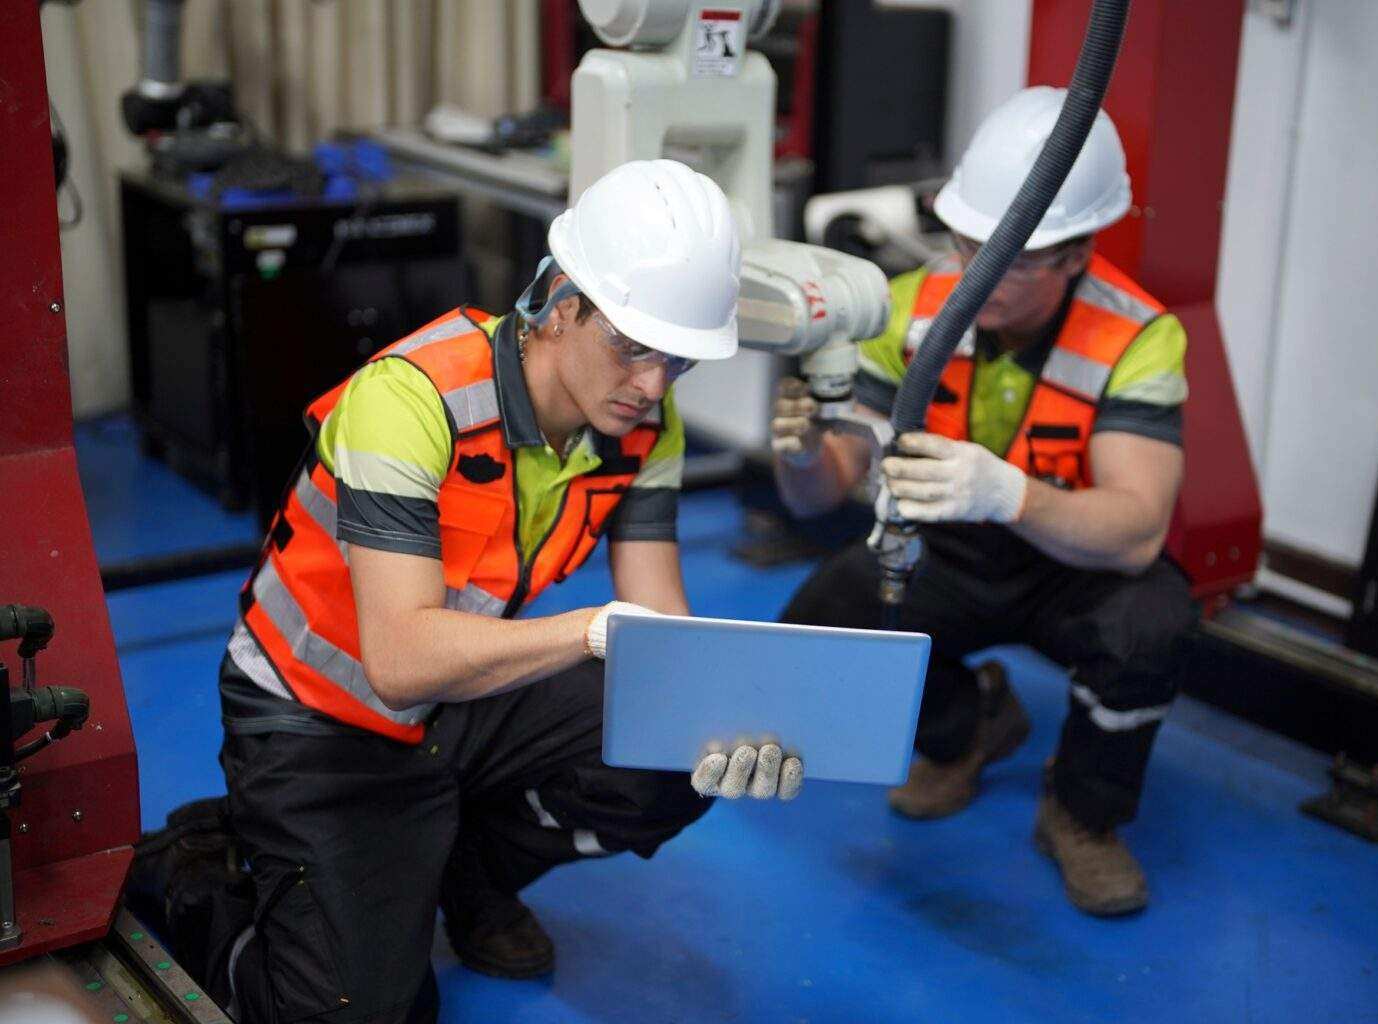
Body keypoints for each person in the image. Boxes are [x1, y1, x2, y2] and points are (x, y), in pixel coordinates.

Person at [129, 159, 801, 1024]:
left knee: (668, 761)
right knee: (359, 1012)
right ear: (561, 307)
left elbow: (661, 617)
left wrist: (724, 733)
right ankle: (197, 869)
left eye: (678, 361)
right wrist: (591, 629)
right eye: (634, 347)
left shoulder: (640, 421)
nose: (654, 385)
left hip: (463, 696)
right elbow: (402, 662)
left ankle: (464, 868)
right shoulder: (410, 401)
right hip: (316, 715)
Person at [772, 88, 1197, 916]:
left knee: (1153, 623)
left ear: (1075, 255)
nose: (975, 272)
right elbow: (827, 485)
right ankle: (969, 729)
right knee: (825, 619)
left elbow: (1139, 531)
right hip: (952, 550)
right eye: (966, 242)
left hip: (1075, 558)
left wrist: (1011, 494)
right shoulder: (912, 306)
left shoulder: (1139, 337)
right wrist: (798, 455)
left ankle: (1082, 815)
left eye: (1011, 256)